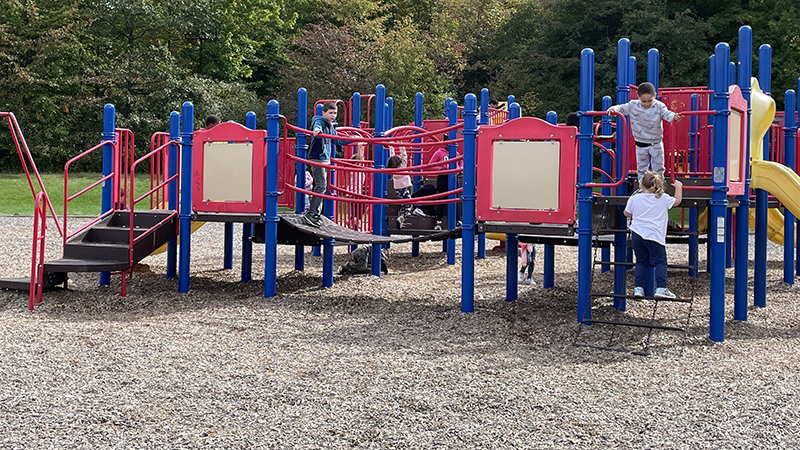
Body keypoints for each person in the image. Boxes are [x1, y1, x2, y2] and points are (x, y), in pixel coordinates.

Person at [606, 82, 682, 184]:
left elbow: (667, 114)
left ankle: (659, 188)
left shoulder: (659, 106)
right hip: (640, 144)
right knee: (641, 169)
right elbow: (621, 108)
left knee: (658, 168)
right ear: (638, 97)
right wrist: (613, 109)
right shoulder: (633, 105)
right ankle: (643, 190)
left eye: (650, 100)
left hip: (656, 143)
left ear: (655, 95)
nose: (646, 104)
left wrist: (674, 117)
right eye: (643, 101)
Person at [624, 171, 683, 299]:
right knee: (660, 262)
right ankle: (661, 288)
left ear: (641, 184)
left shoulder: (634, 198)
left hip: (637, 234)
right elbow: (677, 201)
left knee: (641, 262)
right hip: (655, 235)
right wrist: (678, 187)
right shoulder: (662, 197)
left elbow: (626, 213)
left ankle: (638, 288)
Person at [305, 102, 350, 227]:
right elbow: (316, 125)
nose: (333, 115)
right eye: (330, 113)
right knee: (321, 185)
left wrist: (353, 138)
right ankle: (312, 212)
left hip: (324, 159)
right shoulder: (319, 121)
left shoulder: (331, 126)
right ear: (323, 113)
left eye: (335, 113)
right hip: (317, 158)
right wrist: (317, 131)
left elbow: (338, 141)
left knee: (322, 186)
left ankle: (315, 212)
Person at [428, 139, 463, 230]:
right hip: (443, 177)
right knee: (442, 198)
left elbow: (461, 161)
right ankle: (438, 221)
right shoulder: (439, 153)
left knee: (454, 198)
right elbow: (431, 165)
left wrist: (460, 169)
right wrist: (440, 170)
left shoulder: (456, 153)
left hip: (454, 177)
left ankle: (457, 221)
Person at [387, 146, 426, 228]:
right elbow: (404, 155)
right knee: (410, 204)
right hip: (404, 189)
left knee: (405, 203)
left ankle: (401, 214)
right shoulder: (402, 167)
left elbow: (391, 156)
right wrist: (401, 146)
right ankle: (402, 216)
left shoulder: (392, 169)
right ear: (400, 162)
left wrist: (391, 147)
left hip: (397, 190)